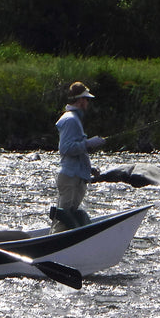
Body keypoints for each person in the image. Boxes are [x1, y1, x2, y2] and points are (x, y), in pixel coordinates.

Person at [52, 81, 105, 230]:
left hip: (75, 175)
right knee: (64, 218)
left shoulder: (73, 119)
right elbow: (66, 149)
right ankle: (54, 247)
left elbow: (75, 151)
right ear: (81, 100)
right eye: (87, 99)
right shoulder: (70, 120)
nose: (88, 102)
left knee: (68, 217)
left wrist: (89, 168)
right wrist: (89, 143)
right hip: (70, 177)